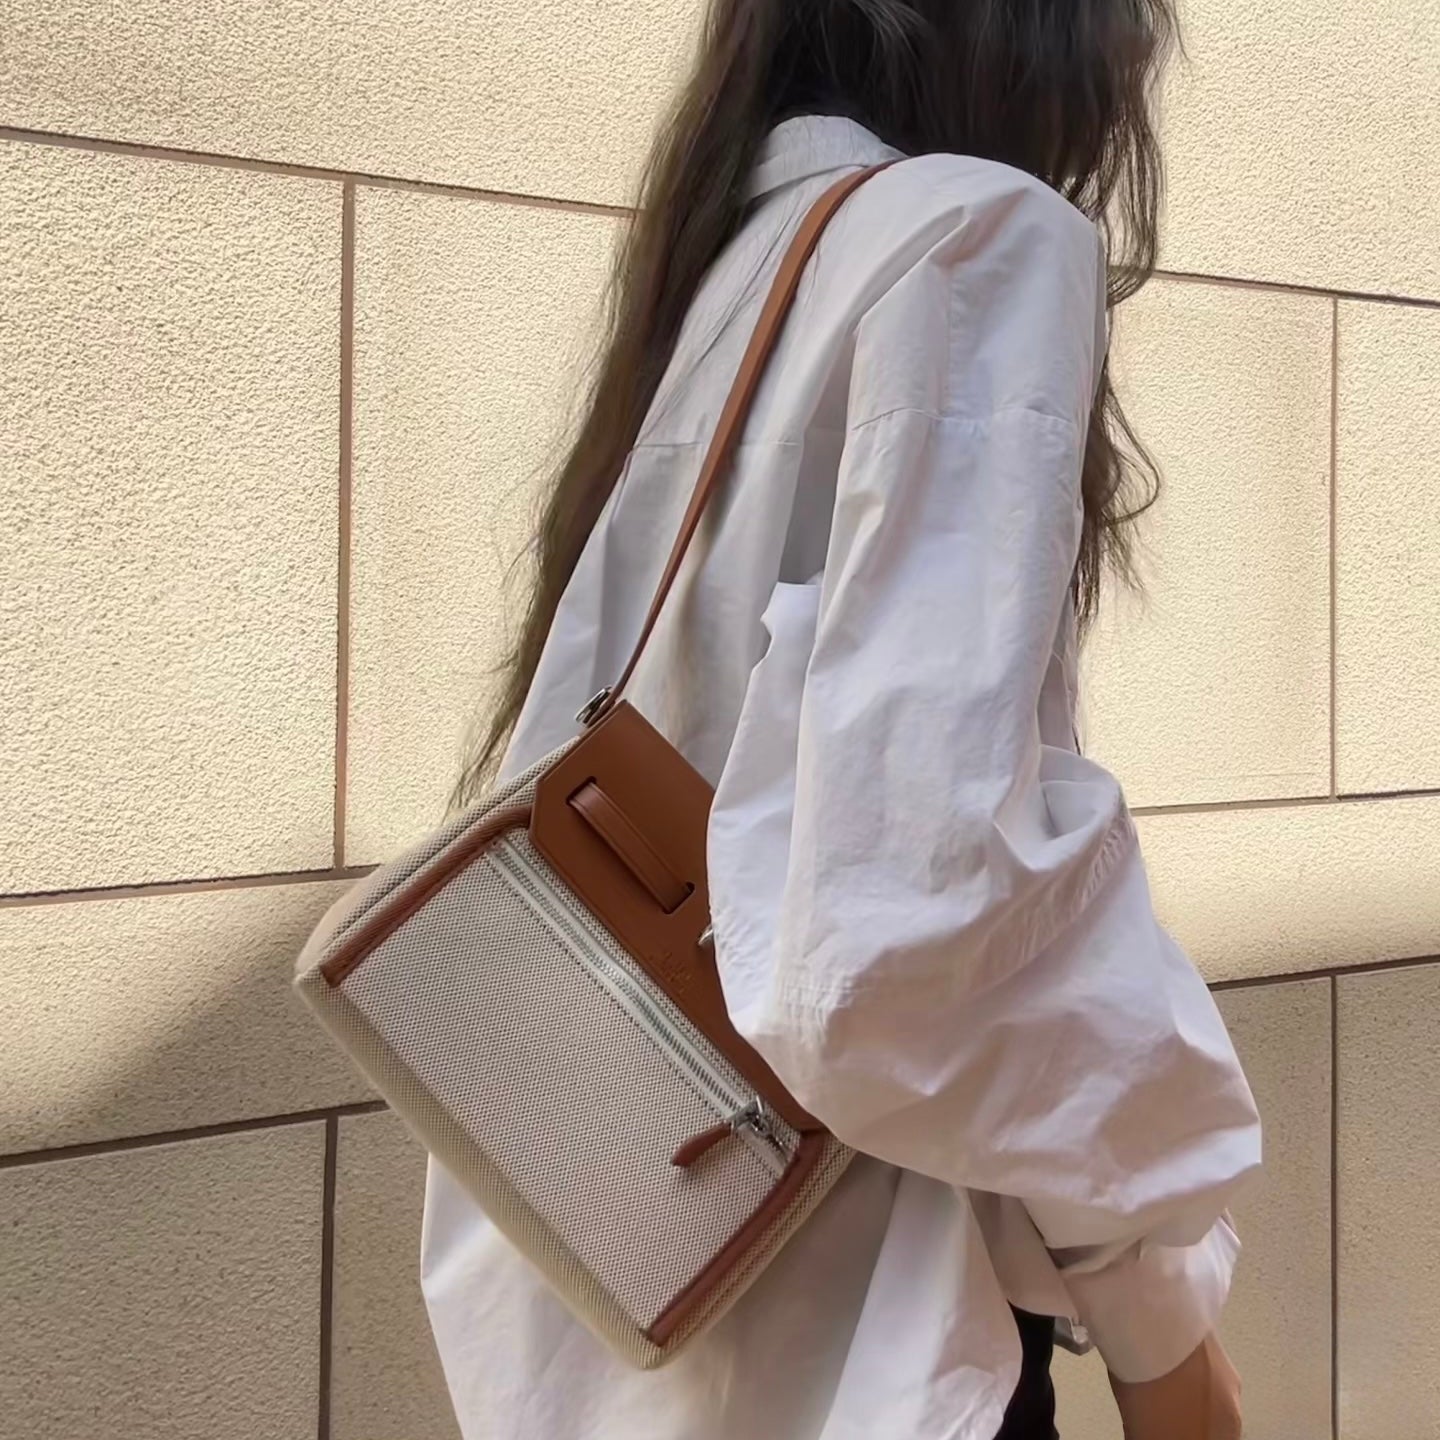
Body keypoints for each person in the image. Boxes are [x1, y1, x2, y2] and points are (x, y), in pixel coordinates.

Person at [422, 2, 1261, 1436]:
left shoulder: (726, 253)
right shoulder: (969, 236)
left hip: (622, 1312)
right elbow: (905, 929)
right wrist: (1157, 1325)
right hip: (869, 1338)